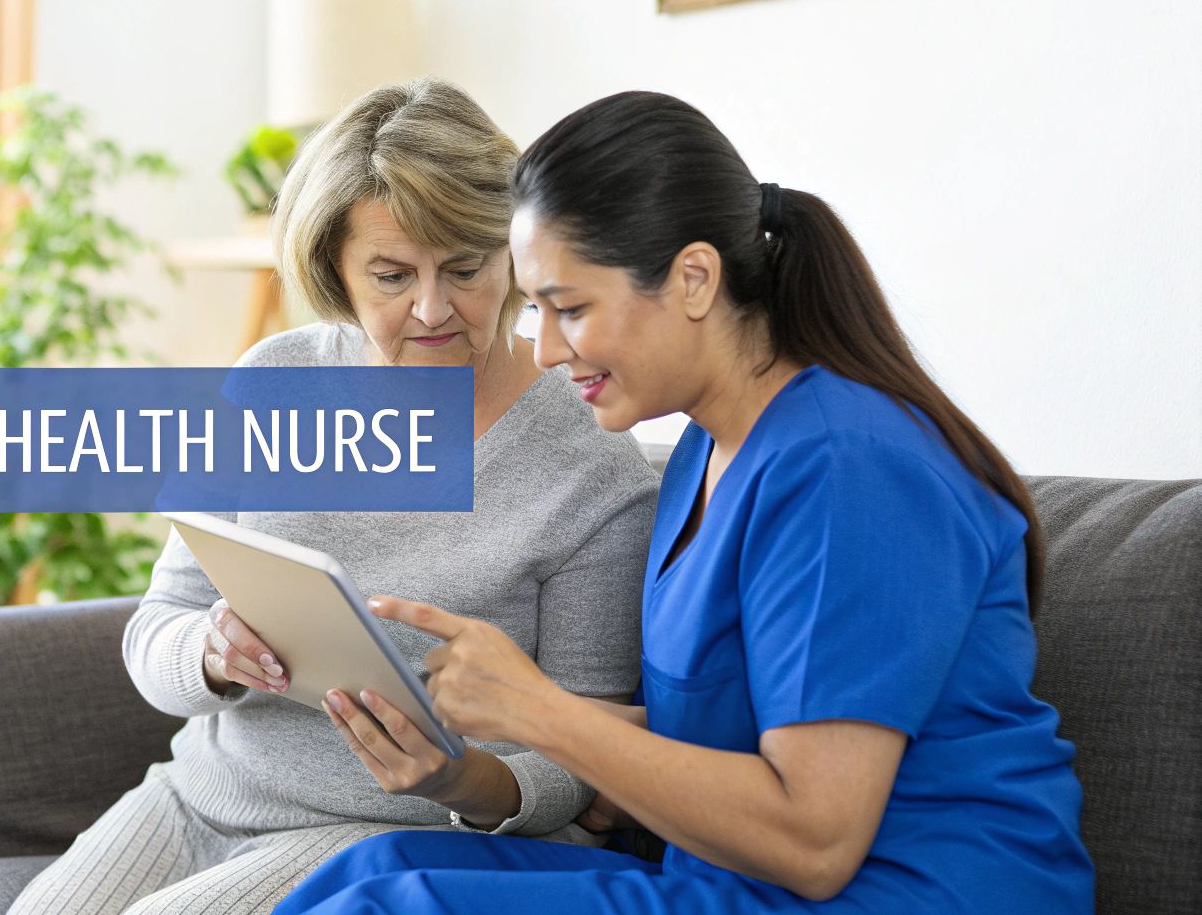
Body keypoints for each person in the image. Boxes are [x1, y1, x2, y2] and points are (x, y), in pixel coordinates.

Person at [277, 90, 1095, 914]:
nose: (547, 349)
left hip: (908, 893)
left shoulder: (849, 468)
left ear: (695, 279)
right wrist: (533, 745)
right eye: (537, 309)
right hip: (730, 879)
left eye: (571, 308)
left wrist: (542, 712)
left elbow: (814, 843)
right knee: (368, 871)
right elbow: (728, 733)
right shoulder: (707, 450)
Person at [5, 78, 658, 914]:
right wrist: (210, 652)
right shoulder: (272, 381)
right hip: (198, 796)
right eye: (391, 275)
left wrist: (463, 777)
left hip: (388, 837)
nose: (433, 308)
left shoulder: (586, 461)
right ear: (335, 271)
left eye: (465, 268)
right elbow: (156, 628)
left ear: (515, 255)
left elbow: (588, 756)